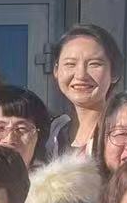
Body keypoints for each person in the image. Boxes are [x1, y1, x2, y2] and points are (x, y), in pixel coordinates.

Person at [43, 23, 122, 162]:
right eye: (70, 64)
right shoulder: (52, 134)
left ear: (114, 72)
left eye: (94, 64)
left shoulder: (123, 135)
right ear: (56, 70)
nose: (81, 75)